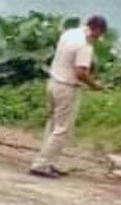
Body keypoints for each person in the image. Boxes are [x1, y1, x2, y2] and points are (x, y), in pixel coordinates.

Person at [29, 15, 108, 179]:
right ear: (98, 30)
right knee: (61, 129)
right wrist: (95, 86)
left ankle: (48, 161)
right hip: (67, 88)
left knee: (52, 126)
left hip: (53, 82)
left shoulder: (70, 34)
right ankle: (41, 164)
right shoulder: (85, 45)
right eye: (100, 34)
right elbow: (80, 72)